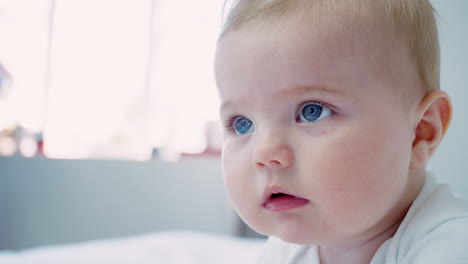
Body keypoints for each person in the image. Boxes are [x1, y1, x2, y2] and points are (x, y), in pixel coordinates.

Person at [213, 0, 468, 263]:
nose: (264, 153)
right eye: (242, 123)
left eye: (312, 111)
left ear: (420, 132)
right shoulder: (285, 251)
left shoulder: (451, 247)